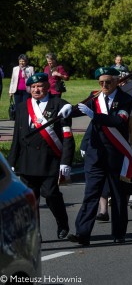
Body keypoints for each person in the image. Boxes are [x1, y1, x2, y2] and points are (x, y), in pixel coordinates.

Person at [69, 67, 132, 245]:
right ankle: (82, 233)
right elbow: (78, 110)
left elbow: (119, 121)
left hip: (115, 154)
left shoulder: (126, 100)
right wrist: (67, 108)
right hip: (95, 154)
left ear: (117, 81)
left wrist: (94, 115)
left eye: (108, 82)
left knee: (118, 195)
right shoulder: (95, 97)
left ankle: (119, 233)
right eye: (101, 82)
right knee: (91, 193)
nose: (104, 85)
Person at [8, 73, 74, 240]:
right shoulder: (22, 107)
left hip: (50, 160)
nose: (36, 90)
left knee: (51, 194)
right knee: (30, 199)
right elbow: (17, 136)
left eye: (40, 86)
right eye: (33, 87)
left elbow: (67, 136)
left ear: (47, 87)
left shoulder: (58, 104)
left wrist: (66, 162)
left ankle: (62, 222)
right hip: (27, 160)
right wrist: (11, 161)